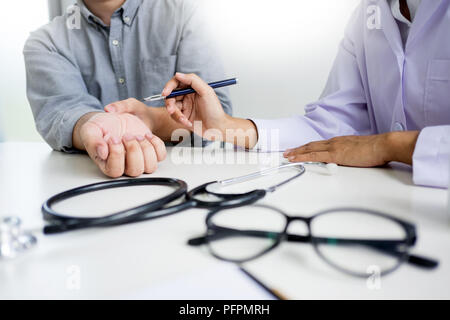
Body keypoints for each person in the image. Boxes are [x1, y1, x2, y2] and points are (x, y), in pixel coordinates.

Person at [113, 0, 449, 188]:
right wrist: (225, 125)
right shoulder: (369, 13)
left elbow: (365, 143)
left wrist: (390, 145)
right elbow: (331, 129)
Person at [24, 0, 232, 178]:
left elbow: (218, 116)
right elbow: (62, 114)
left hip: (187, 175)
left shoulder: (184, 12)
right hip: (93, 181)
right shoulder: (46, 44)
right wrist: (95, 125)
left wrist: (151, 119)